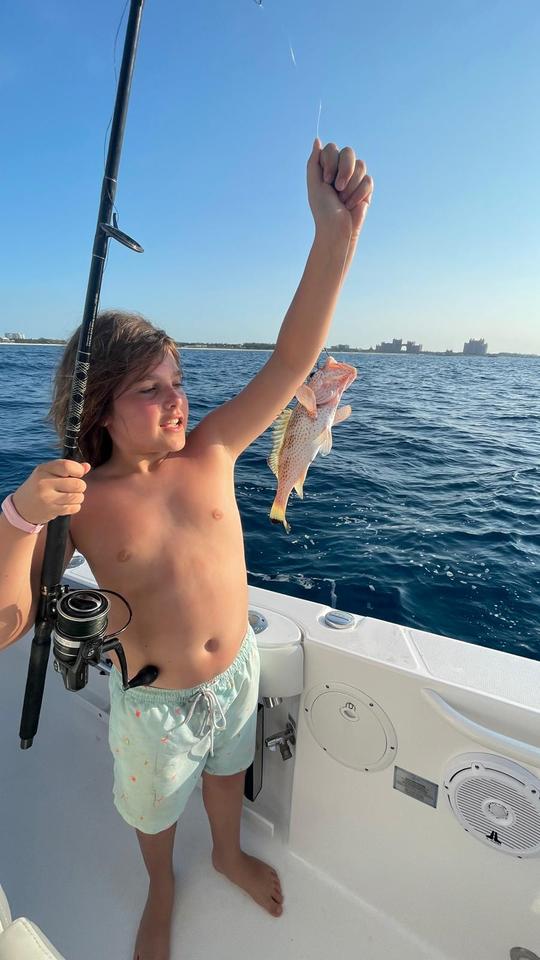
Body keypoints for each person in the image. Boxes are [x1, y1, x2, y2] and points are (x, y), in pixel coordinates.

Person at [0, 139, 372, 960]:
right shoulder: (81, 505)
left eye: (178, 380)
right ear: (97, 408)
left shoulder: (212, 450)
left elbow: (291, 359)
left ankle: (229, 852)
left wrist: (334, 238)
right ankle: (162, 885)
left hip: (237, 673)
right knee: (153, 807)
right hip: (153, 708)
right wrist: (21, 519)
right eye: (152, 389)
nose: (179, 401)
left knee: (227, 774)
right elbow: (7, 624)